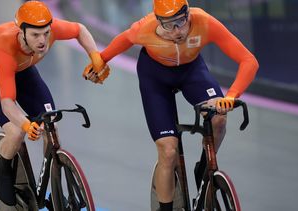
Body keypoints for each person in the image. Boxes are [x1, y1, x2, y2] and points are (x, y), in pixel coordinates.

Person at [83, 0, 259, 210]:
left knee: (219, 118)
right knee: (168, 151)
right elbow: (123, 40)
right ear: (158, 22)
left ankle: (204, 168)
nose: (177, 31)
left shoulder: (205, 22)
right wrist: (100, 60)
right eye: (169, 25)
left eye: (181, 22)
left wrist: (231, 96)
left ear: (188, 14)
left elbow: (249, 60)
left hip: (191, 72)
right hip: (154, 77)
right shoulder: (143, 28)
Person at [0, 1, 107, 206]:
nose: (43, 40)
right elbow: (7, 104)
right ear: (21, 32)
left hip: (24, 70)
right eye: (35, 35)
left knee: (50, 124)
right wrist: (26, 125)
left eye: (45, 33)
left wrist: (96, 57)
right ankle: (4, 166)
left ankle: (53, 187)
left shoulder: (51, 31)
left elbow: (80, 29)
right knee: (16, 132)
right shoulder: (5, 48)